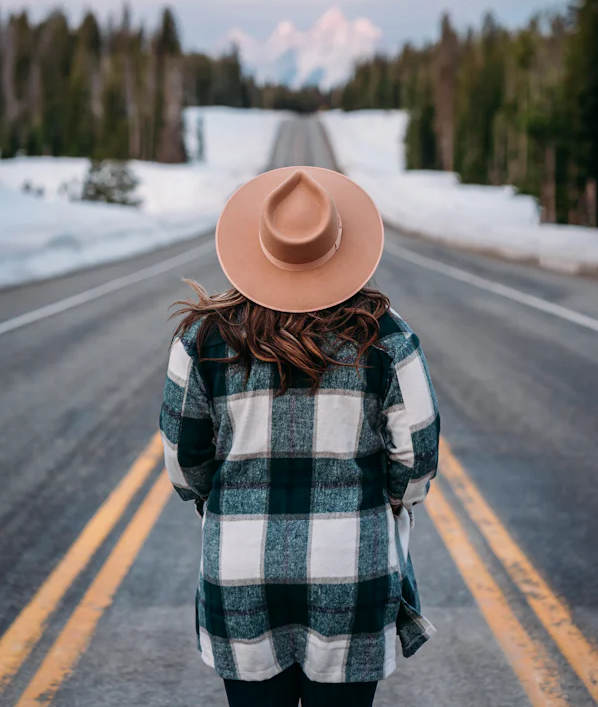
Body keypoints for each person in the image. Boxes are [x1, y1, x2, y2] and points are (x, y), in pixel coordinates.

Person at [160, 167, 440, 707]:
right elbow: (417, 458)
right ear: (342, 248)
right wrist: (388, 504)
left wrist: (226, 506)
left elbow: (183, 462)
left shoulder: (200, 338)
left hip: (239, 571)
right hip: (351, 566)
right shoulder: (387, 338)